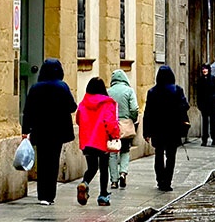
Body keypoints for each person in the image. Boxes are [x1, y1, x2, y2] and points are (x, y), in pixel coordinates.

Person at [21, 58, 77, 206]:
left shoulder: (35, 88)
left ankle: (42, 195)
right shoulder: (62, 87)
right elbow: (72, 107)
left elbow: (28, 112)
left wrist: (25, 131)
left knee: (42, 163)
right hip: (57, 132)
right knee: (53, 162)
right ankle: (50, 195)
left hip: (40, 130)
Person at [143, 66, 189, 192]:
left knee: (158, 155)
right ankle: (167, 181)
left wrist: (146, 132)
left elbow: (148, 113)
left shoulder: (152, 92)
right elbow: (185, 106)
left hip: (157, 129)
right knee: (171, 156)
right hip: (173, 128)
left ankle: (160, 180)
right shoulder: (177, 90)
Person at [76, 77, 120, 207]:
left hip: (87, 141)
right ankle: (103, 196)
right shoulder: (108, 103)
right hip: (101, 141)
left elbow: (78, 120)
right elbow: (110, 122)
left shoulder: (83, 103)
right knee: (104, 168)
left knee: (92, 167)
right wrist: (114, 135)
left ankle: (85, 183)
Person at [107, 70, 138, 189]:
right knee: (125, 150)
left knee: (112, 152)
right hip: (125, 125)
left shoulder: (109, 92)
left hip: (112, 125)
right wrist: (132, 119)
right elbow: (134, 108)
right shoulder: (129, 91)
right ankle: (123, 172)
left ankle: (114, 180)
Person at [196, 63, 215, 146]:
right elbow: (198, 93)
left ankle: (214, 139)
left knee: (213, 122)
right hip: (204, 104)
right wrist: (199, 103)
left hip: (212, 104)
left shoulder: (214, 79)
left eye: (205, 69)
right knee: (204, 123)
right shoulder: (200, 80)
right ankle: (204, 139)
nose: (204, 70)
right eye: (203, 69)